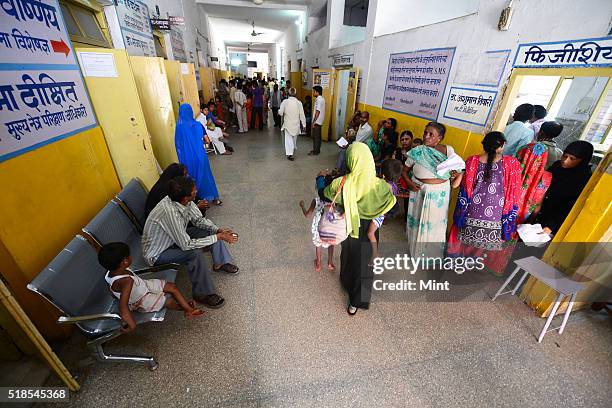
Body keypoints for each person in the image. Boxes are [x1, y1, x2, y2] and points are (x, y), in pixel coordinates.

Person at [319, 143, 396, 315]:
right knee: (365, 265)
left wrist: (320, 179)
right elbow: (392, 207)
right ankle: (355, 301)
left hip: (349, 227)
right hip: (370, 229)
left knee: (349, 255)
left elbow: (323, 193)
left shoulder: (342, 182)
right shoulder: (382, 186)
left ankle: (348, 285)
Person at [142, 177, 240, 308]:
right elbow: (186, 245)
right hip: (159, 252)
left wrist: (217, 230)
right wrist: (218, 237)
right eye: (194, 191)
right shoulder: (169, 212)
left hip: (175, 238)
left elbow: (198, 220)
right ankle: (202, 294)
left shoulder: (184, 201)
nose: (197, 191)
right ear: (185, 198)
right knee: (194, 254)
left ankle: (220, 263)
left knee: (212, 233)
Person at [447, 132, 522, 275]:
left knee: (461, 236)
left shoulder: (472, 161)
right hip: (495, 214)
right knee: (480, 243)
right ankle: (471, 263)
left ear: (484, 144)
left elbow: (464, 187)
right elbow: (515, 189)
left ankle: (454, 261)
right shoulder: (511, 163)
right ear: (502, 146)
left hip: (472, 210)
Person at [99, 242, 204, 332]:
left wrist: (115, 294)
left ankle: (188, 309)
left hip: (142, 285)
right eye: (129, 255)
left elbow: (111, 287)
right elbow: (123, 306)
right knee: (168, 302)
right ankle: (185, 308)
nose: (131, 256)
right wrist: (132, 324)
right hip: (140, 300)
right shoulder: (127, 281)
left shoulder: (109, 272)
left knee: (171, 287)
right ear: (125, 261)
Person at [402, 122, 463, 258]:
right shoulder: (417, 151)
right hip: (419, 191)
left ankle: (431, 254)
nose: (426, 136)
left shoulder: (449, 151)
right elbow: (404, 170)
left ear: (439, 138)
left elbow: (457, 169)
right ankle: (416, 252)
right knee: (418, 222)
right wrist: (409, 183)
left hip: (439, 194)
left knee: (434, 223)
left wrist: (454, 174)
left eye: (431, 134)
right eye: (425, 133)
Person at [532, 141, 594, 235]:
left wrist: (551, 226)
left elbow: (570, 206)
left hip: (555, 221)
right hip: (539, 211)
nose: (565, 161)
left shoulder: (584, 178)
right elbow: (543, 184)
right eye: (565, 156)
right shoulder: (557, 166)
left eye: (572, 159)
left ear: (583, 160)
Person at [174, 103, 222, 206]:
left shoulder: (179, 127)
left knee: (191, 179)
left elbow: (178, 145)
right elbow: (207, 141)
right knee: (206, 176)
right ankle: (215, 198)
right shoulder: (198, 125)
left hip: (187, 159)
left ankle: (197, 201)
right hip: (200, 156)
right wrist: (197, 144)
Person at [514, 125, 563, 223]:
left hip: (520, 184)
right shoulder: (559, 154)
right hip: (540, 190)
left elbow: (516, 166)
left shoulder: (528, 148)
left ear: (541, 132)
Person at [299, 172, 338, 272]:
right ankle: (330, 263)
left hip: (319, 228)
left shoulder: (316, 200)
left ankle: (318, 263)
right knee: (331, 244)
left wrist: (302, 206)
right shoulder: (335, 201)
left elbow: (307, 215)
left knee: (318, 244)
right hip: (330, 227)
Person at [367, 159, 402, 264]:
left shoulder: (384, 185)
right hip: (382, 212)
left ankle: (374, 255)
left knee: (370, 233)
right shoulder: (393, 185)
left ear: (382, 172)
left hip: (379, 214)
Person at [144, 163, 209, 219]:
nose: (187, 177)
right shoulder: (165, 192)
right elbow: (177, 215)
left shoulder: (168, 183)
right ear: (177, 177)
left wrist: (199, 201)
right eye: (185, 175)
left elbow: (187, 196)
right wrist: (197, 207)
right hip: (165, 222)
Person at [278, 87, 306, 161]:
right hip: (296, 125)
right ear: (295, 94)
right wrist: (304, 124)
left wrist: (279, 111)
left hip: (287, 124)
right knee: (294, 139)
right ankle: (292, 150)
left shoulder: (285, 102)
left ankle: (290, 154)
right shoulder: (299, 103)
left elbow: (280, 113)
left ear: (288, 93)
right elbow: (302, 115)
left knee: (288, 139)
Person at [309, 85, 325, 156]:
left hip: (317, 121)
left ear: (317, 92)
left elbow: (317, 111)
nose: (313, 93)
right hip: (319, 121)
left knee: (316, 137)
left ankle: (315, 151)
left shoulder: (319, 99)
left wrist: (314, 122)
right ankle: (317, 150)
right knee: (318, 137)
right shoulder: (321, 99)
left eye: (314, 91)